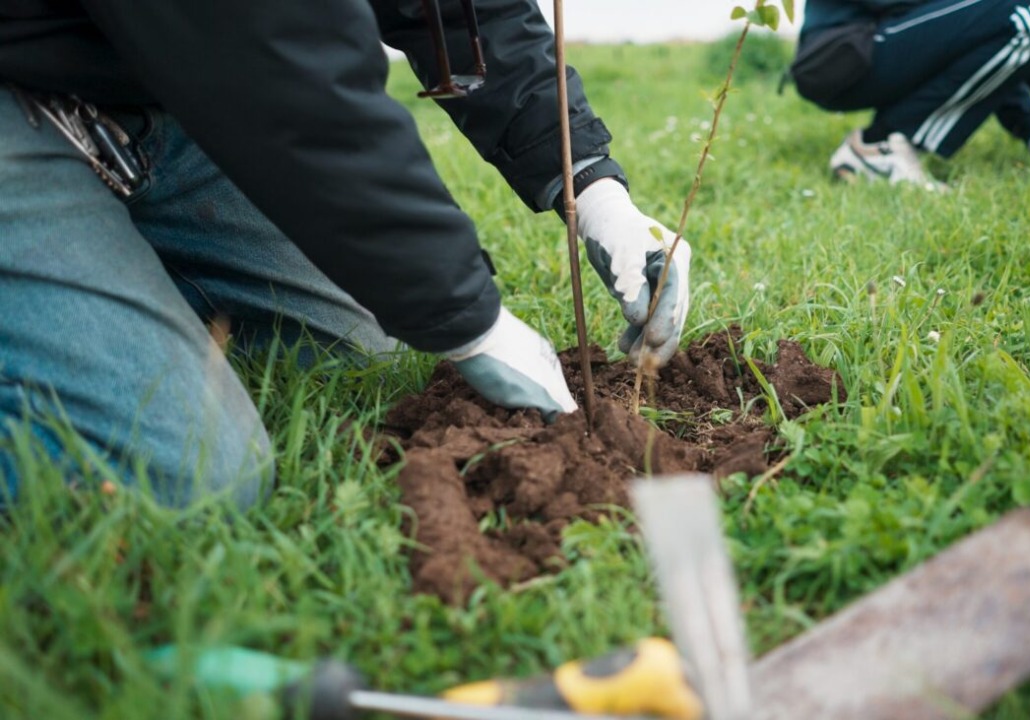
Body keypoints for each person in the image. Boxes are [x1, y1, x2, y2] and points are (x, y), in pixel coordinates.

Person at [0, 0, 691, 509]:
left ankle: (95, 272)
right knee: (190, 477)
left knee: (346, 359)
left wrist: (594, 185)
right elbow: (287, 60)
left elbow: (470, 10)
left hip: (158, 103)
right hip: (22, 93)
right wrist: (468, 320)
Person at [790, 0, 1030, 188]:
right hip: (844, 53)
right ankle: (882, 144)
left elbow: (971, 35)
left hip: (875, 43)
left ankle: (882, 144)